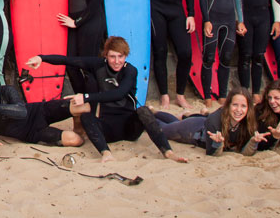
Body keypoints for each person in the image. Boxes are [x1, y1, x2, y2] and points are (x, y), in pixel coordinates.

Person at [26, 37, 187, 163]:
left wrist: (86, 97)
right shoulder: (99, 65)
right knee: (87, 116)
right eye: (112, 57)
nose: (116, 61)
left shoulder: (130, 71)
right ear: (106, 55)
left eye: (120, 57)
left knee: (144, 110)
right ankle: (106, 153)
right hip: (107, 128)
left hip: (129, 128)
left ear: (126, 56)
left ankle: (168, 152)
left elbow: (120, 93)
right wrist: (42, 58)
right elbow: (70, 61)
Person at [0, 65, 85, 151]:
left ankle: (78, 127)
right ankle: (78, 133)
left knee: (79, 105)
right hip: (31, 133)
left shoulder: (7, 91)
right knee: (75, 140)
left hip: (38, 111)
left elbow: (22, 112)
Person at [155, 87, 265, 155]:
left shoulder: (250, 123)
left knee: (174, 122)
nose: (239, 110)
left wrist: (253, 142)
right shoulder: (215, 120)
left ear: (249, 108)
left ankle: (154, 112)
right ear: (228, 105)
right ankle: (150, 114)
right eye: (235, 105)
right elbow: (210, 152)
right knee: (161, 130)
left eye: (243, 106)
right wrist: (217, 144)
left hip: (197, 123)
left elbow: (244, 152)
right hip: (192, 130)